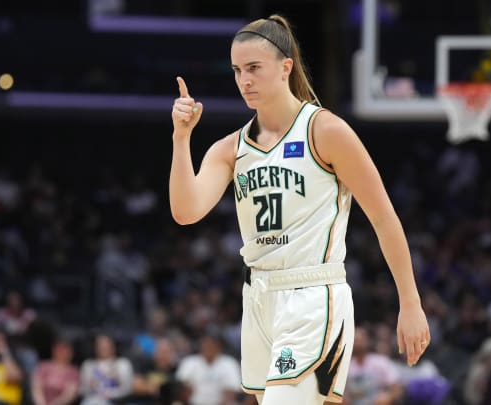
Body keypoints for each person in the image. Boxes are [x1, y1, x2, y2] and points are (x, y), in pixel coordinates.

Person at [169, 14, 431, 405]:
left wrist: (410, 302)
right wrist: (180, 139)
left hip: (312, 293)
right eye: (238, 70)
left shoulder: (325, 131)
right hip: (258, 296)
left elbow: (383, 217)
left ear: (285, 67)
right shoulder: (229, 148)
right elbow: (186, 211)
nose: (245, 80)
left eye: (254, 68)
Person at [174, 333, 241, 405]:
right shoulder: (189, 362)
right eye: (205, 345)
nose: (208, 348)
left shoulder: (229, 363)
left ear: (219, 347)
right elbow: (181, 388)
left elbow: (231, 391)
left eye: (211, 345)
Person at [31, 338, 80, 405]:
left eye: (65, 349)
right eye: (59, 349)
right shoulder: (43, 366)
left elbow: (69, 395)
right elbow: (36, 388)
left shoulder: (73, 372)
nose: (61, 352)